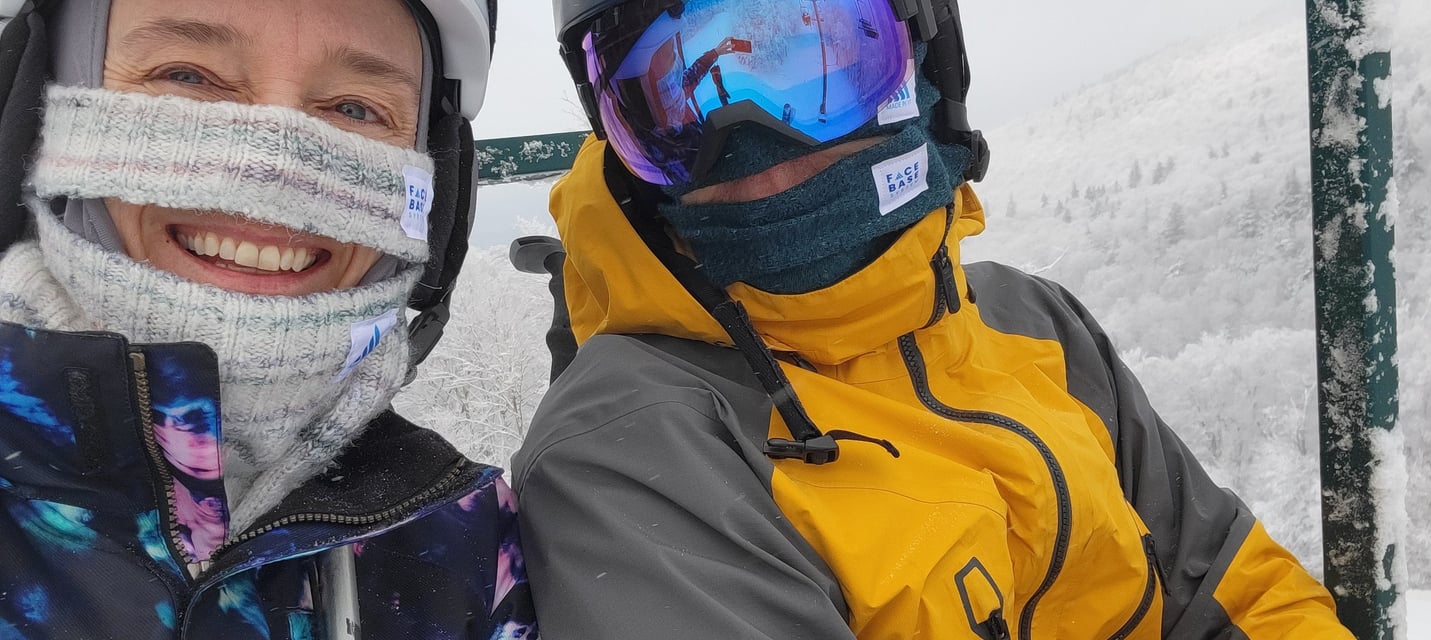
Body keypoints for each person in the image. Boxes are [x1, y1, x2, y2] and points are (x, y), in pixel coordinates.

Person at [512, 0, 1353, 637]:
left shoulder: (1033, 320)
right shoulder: (632, 443)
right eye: (681, 102)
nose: (756, 149)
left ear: (922, 58)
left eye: (816, 62)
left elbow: (1241, 591)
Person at [0, 0, 537, 637]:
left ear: (438, 196)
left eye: (355, 109)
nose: (274, 166)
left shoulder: (469, 544)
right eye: (187, 76)